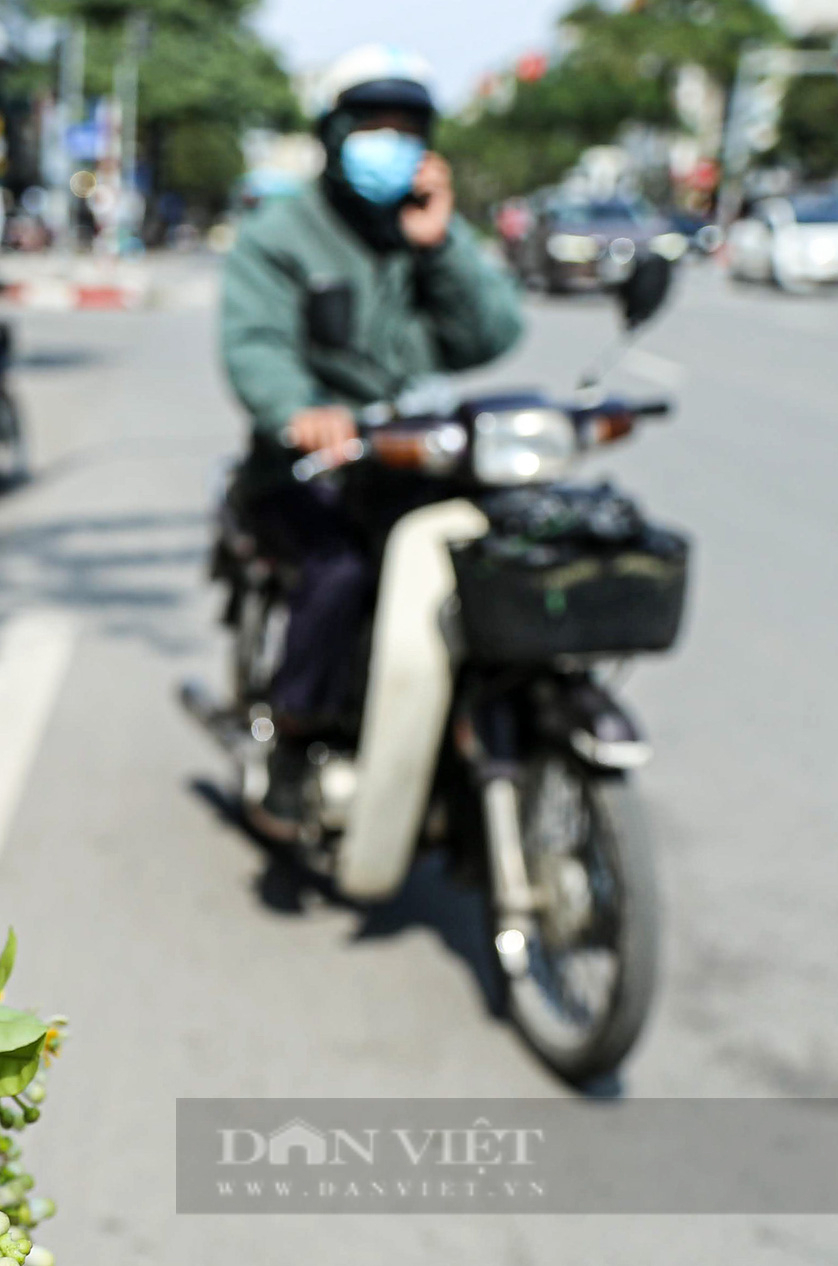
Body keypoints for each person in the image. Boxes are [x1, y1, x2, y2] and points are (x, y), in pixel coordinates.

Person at [218, 44, 525, 839]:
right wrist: (300, 408)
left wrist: (441, 244)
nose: (389, 143)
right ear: (334, 133)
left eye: (405, 128)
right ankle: (294, 736)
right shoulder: (282, 232)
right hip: (312, 463)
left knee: (503, 551)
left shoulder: (424, 234)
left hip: (417, 455)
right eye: (371, 127)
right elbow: (254, 343)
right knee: (341, 569)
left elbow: (492, 335)